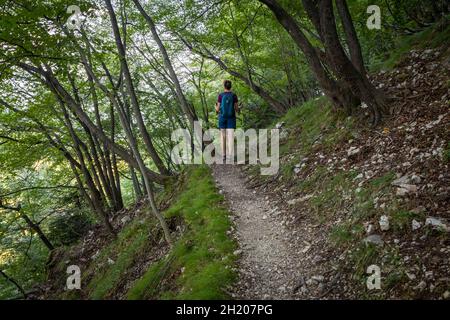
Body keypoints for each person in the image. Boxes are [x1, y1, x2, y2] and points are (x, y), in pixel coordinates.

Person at [216, 80, 239, 163]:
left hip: (222, 118)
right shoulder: (234, 95)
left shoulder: (220, 95)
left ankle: (223, 156)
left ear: (224, 86)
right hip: (231, 118)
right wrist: (239, 109)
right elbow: (236, 109)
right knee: (230, 137)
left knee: (223, 137)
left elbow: (218, 109)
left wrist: (216, 108)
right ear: (230, 86)